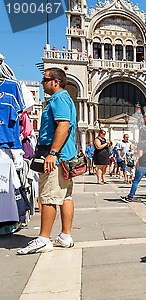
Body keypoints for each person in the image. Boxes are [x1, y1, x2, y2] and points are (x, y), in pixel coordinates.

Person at [17, 67, 77, 255]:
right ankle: (65, 236)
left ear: (55, 81)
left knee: (49, 197)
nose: (42, 83)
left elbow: (63, 125)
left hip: (55, 158)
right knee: (65, 196)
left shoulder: (58, 99)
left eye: (45, 80)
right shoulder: (65, 98)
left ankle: (43, 239)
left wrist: (52, 153)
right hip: (65, 156)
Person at [122, 131, 146, 202]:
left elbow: (140, 155)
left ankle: (130, 196)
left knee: (135, 181)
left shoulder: (141, 143)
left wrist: (134, 154)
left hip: (143, 165)